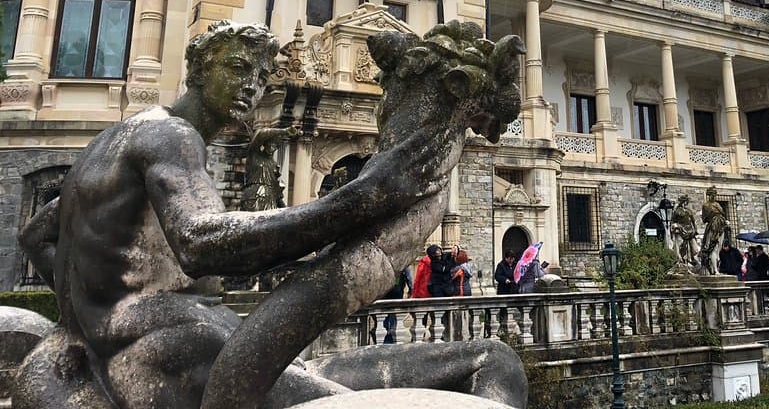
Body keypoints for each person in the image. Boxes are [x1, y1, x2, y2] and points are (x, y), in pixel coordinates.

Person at [13, 20, 531, 409]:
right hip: (176, 361)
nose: (251, 86)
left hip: (194, 348)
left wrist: (86, 317)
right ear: (198, 69)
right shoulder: (169, 136)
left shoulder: (112, 142)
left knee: (496, 355)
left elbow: (39, 234)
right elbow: (201, 242)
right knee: (492, 369)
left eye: (261, 75)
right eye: (238, 69)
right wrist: (364, 194)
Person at [382, 267, 413, 344]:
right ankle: (391, 337)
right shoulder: (403, 263)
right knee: (394, 315)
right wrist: (411, 289)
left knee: (385, 315)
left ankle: (386, 338)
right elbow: (408, 276)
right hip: (397, 291)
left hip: (385, 292)